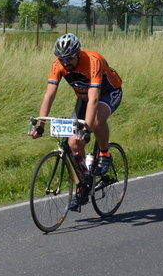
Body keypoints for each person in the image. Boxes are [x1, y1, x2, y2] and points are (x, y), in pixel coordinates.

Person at [30, 32, 123, 211]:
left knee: (95, 121)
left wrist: (86, 130)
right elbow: (49, 95)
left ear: (78, 52)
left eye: (69, 58)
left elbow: (94, 99)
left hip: (107, 93)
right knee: (72, 143)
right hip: (84, 98)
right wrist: (40, 125)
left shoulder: (93, 60)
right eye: (62, 59)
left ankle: (104, 153)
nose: (65, 63)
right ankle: (82, 185)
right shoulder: (58, 65)